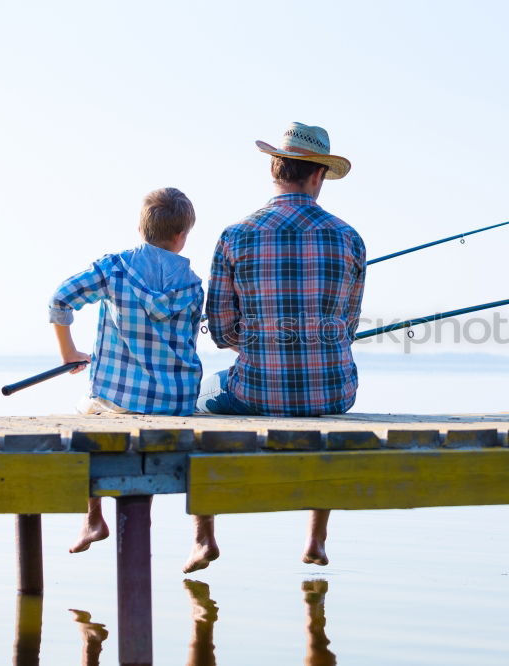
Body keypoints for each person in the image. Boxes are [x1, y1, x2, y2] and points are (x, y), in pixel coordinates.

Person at [193, 122, 365, 571]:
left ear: (274, 170)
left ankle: (204, 537)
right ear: (318, 176)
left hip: (254, 391)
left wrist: (261, 346)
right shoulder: (349, 239)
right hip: (334, 394)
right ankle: (316, 539)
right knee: (321, 414)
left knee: (198, 395)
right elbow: (346, 328)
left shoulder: (235, 236)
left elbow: (223, 330)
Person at [47, 187, 204, 555]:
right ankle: (200, 534)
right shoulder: (193, 286)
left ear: (139, 227)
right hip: (177, 402)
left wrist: (69, 351)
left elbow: (60, 298)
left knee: (85, 419)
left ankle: (93, 518)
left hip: (119, 399)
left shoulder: (114, 269)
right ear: (181, 237)